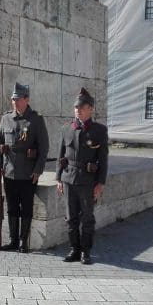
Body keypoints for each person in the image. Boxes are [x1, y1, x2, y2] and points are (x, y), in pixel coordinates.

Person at [54, 88, 109, 265]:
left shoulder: (99, 131)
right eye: (76, 107)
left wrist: (100, 183)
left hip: (87, 181)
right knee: (71, 218)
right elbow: (60, 155)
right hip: (68, 179)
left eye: (82, 107)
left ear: (90, 108)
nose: (78, 110)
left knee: (87, 218)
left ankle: (86, 251)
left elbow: (103, 159)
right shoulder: (66, 129)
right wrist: (58, 178)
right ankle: (74, 249)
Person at [0, 83, 49, 253]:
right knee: (12, 208)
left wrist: (38, 170)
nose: (15, 102)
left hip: (28, 173)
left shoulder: (36, 119)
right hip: (9, 172)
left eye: (18, 99)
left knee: (26, 208)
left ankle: (23, 242)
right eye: (13, 99)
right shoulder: (6, 118)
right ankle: (13, 241)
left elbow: (44, 148)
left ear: (27, 99)